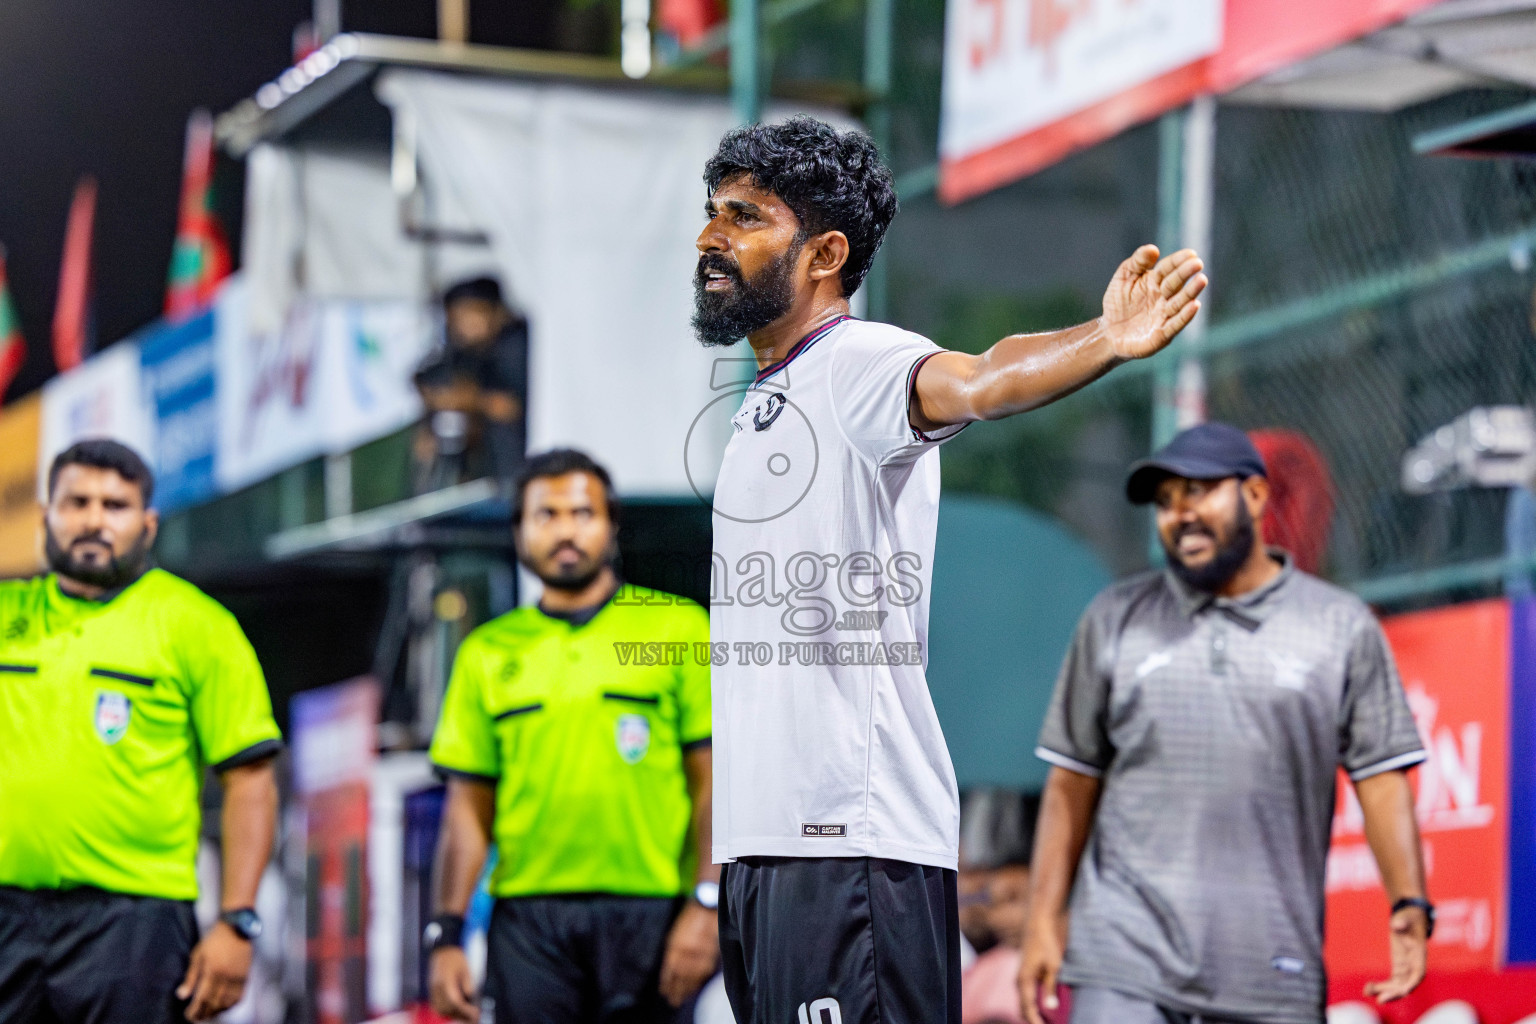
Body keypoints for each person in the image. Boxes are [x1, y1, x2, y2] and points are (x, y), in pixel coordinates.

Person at [697, 115, 1206, 1024]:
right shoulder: (763, 401)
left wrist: (1102, 339)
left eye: (744, 216)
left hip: (848, 848)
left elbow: (980, 379)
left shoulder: (856, 362)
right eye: (712, 212)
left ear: (825, 254)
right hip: (766, 851)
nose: (711, 236)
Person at [1019, 422, 1432, 1024]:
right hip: (1123, 964)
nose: (1179, 514)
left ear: (1258, 497)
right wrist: (1042, 921)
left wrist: (1409, 902)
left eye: (1199, 491)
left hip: (1272, 974)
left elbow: (1382, 781)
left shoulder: (1340, 627)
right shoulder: (1114, 619)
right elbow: (1071, 784)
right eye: (1165, 501)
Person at [426, 448, 718, 1023]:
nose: (565, 530)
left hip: (653, 918)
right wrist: (447, 934)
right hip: (527, 925)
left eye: (582, 513)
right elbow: (467, 810)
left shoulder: (678, 627)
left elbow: (714, 785)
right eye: (547, 514)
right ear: (519, 531)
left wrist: (707, 904)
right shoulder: (485, 652)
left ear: (611, 525)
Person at [0, 439, 283, 1024]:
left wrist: (237, 921)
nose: (94, 520)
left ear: (148, 525)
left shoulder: (198, 626)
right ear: (45, 517)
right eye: (76, 502)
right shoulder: (7, 615)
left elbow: (251, 781)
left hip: (135, 926)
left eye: (115, 505)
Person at [413, 275, 529, 489]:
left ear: (495, 311)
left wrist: (468, 399)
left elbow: (507, 406)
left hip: (519, 474)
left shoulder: (516, 345)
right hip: (489, 478)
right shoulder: (469, 352)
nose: (461, 326)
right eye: (455, 318)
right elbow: (426, 378)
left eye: (468, 315)